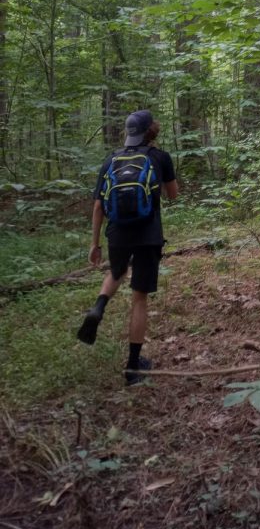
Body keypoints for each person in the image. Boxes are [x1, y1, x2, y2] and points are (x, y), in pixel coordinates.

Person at [77, 110, 178, 385]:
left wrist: (95, 244)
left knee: (117, 270)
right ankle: (133, 367)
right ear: (151, 131)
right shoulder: (160, 157)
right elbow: (173, 195)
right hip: (148, 235)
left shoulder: (111, 159)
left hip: (117, 233)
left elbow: (98, 206)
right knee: (139, 299)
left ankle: (99, 305)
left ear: (129, 132)